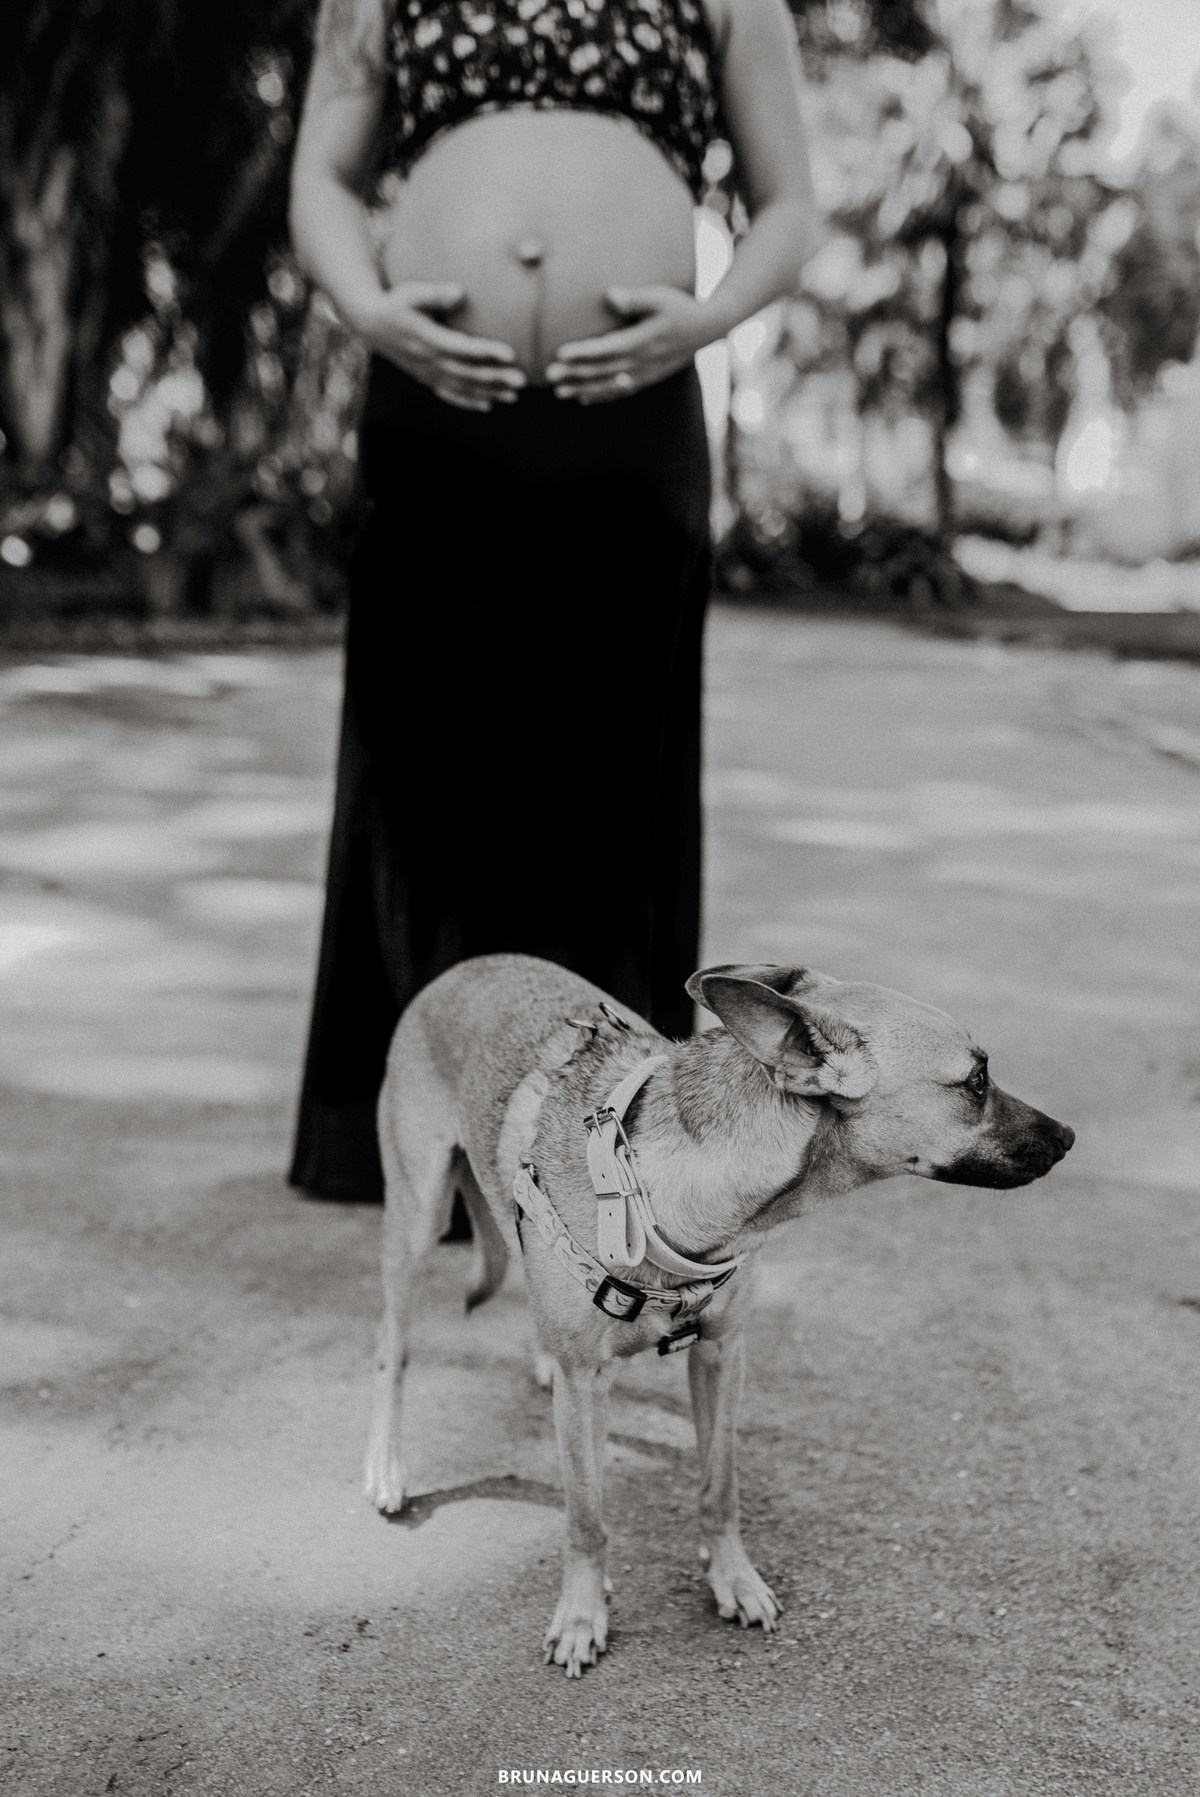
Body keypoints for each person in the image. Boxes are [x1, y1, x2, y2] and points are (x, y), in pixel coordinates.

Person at [288, 0, 821, 1201]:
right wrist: (369, 312)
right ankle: (402, 1134)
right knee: (420, 771)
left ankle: (597, 1142)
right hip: (432, 397)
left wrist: (711, 321)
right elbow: (322, 173)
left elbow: (791, 204)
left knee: (608, 786)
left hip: (635, 409)